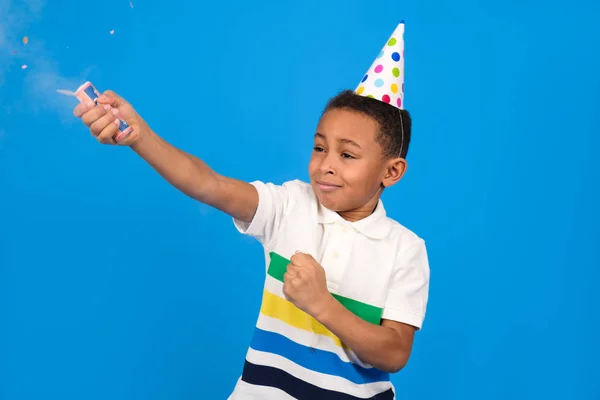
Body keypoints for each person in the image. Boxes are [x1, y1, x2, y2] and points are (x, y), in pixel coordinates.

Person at [73, 22, 429, 400]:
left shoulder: (405, 249)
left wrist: (322, 304)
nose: (325, 165)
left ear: (391, 171)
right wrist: (139, 135)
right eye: (319, 147)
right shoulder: (290, 205)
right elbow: (210, 184)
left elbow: (394, 352)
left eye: (347, 155)